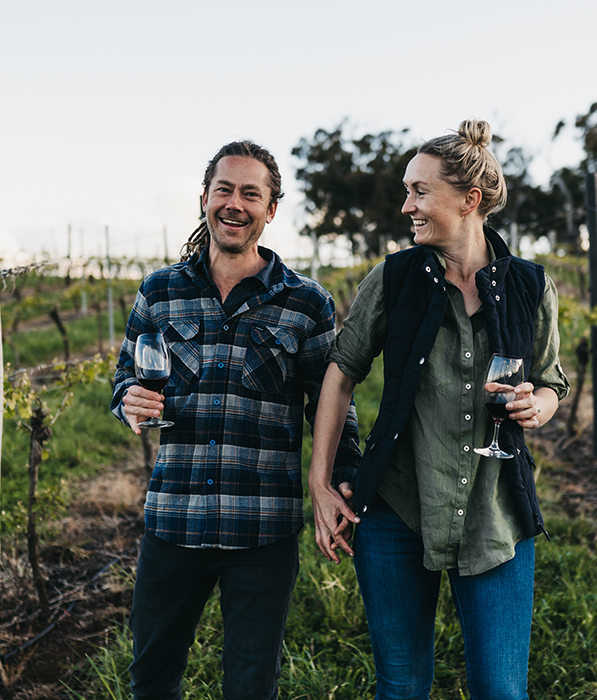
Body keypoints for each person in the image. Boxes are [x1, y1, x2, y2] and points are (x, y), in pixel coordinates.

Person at [308, 120, 569, 700]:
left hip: (495, 516)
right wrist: (320, 481)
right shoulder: (394, 279)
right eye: (408, 190)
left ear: (469, 200)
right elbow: (340, 372)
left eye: (420, 191)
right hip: (397, 510)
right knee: (401, 686)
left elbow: (552, 384)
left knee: (500, 691)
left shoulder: (532, 286)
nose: (407, 206)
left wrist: (537, 407)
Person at [111, 140, 361, 700]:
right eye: (224, 189)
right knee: (151, 680)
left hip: (262, 531)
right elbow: (125, 378)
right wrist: (128, 399)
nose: (235, 203)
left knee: (251, 686)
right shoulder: (160, 291)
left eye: (251, 193)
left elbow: (333, 405)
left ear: (270, 210)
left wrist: (343, 480)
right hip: (173, 522)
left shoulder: (306, 304)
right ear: (204, 198)